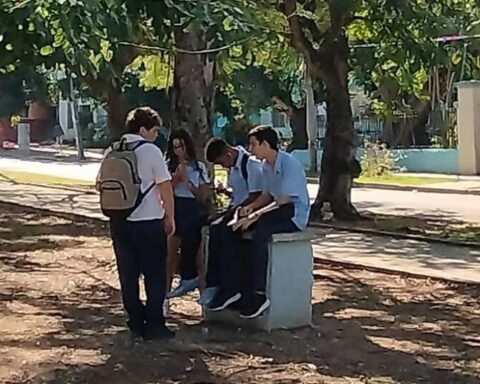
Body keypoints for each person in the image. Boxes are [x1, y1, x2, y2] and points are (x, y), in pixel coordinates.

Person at [208, 125, 310, 319]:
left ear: (265, 144)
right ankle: (231, 288)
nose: (251, 148)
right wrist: (250, 209)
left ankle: (259, 294)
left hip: (293, 214)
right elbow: (266, 195)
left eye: (254, 144)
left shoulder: (289, 164)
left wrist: (256, 216)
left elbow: (283, 201)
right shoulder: (265, 166)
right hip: (276, 210)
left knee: (260, 233)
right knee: (232, 229)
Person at [96, 107, 175, 341]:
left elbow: (99, 184)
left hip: (119, 221)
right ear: (143, 129)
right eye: (154, 130)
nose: (155, 135)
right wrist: (169, 217)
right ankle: (155, 324)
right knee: (154, 274)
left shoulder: (113, 149)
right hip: (148, 222)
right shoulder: (151, 151)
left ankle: (135, 320)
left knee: (128, 274)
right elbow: (165, 186)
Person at [201, 138, 264, 305]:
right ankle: (214, 283)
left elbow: (256, 195)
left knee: (224, 232)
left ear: (228, 154)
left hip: (249, 212)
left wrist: (233, 211)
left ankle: (230, 287)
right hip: (237, 209)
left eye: (221, 163)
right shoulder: (234, 169)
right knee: (214, 229)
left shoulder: (251, 164)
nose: (222, 167)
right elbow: (238, 194)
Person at [165, 129, 210, 300]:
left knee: (198, 258)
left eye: (181, 146)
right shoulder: (168, 165)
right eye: (175, 147)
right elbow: (165, 189)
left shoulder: (199, 167)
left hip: (192, 210)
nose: (178, 151)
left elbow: (203, 196)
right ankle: (165, 298)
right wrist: (177, 176)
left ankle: (203, 299)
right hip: (176, 208)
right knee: (170, 256)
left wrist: (188, 182)